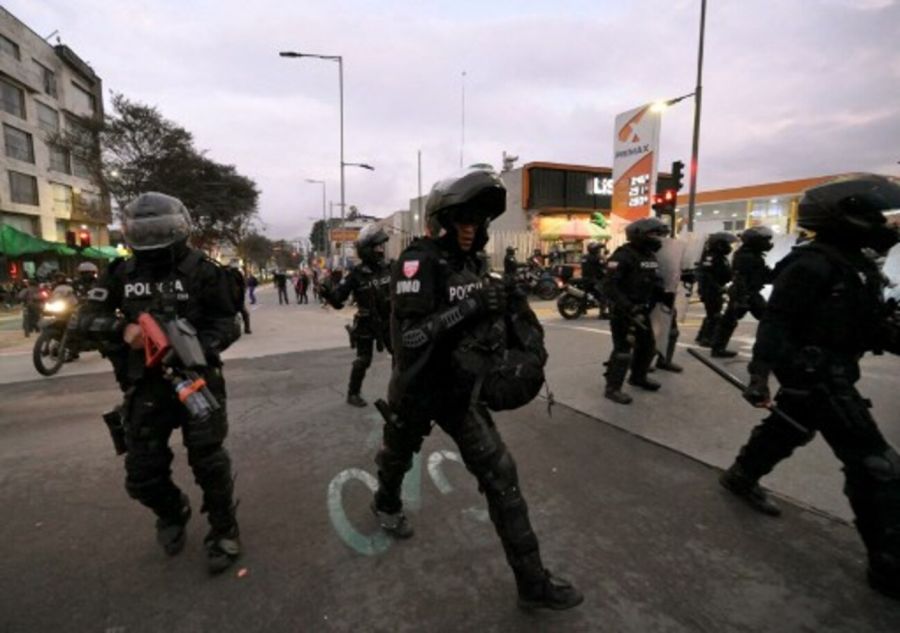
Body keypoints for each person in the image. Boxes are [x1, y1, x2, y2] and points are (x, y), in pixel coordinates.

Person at [372, 168, 583, 610]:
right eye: (462, 221)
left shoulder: (472, 264)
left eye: (477, 222)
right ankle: (386, 503)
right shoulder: (416, 261)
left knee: (501, 478)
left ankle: (533, 583)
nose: (471, 230)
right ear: (443, 221)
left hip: (460, 392)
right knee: (397, 455)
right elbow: (409, 340)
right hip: (416, 389)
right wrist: (467, 306)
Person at [720, 174, 900, 599]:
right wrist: (759, 374)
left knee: (790, 427)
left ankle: (741, 475)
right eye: (871, 215)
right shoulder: (811, 264)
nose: (882, 223)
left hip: (835, 370)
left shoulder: (856, 265)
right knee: (876, 464)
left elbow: (869, 325)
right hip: (816, 375)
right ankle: (889, 564)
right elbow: (776, 321)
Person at [76, 192, 243, 574]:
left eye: (161, 229)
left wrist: (195, 349)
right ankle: (173, 509)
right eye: (145, 231)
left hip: (195, 380)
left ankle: (223, 529)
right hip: (145, 386)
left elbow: (227, 322)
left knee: (210, 462)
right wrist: (123, 328)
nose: (154, 238)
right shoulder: (121, 273)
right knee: (141, 475)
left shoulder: (204, 270)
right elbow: (83, 319)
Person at [320, 226, 392, 407]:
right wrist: (327, 293)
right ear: (367, 249)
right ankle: (353, 393)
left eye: (381, 246)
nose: (381, 250)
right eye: (377, 247)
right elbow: (338, 302)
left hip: (389, 321)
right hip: (366, 322)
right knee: (363, 360)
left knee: (401, 358)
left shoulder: (390, 268)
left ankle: (401, 394)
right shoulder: (355, 275)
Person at [602, 217, 670, 405]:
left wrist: (664, 295)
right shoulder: (622, 256)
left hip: (642, 309)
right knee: (623, 350)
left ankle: (638, 377)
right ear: (639, 234)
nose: (658, 239)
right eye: (654, 234)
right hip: (624, 312)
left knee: (648, 346)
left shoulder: (649, 256)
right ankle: (612, 388)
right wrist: (628, 306)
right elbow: (608, 286)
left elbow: (654, 279)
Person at [710, 226, 774, 358]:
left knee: (728, 321)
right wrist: (742, 299)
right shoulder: (747, 257)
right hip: (745, 294)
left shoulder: (752, 255)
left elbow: (762, 275)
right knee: (769, 321)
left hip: (747, 293)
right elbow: (741, 278)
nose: (768, 244)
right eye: (765, 240)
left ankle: (717, 348)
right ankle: (768, 353)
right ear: (754, 241)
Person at [695, 232, 738, 347]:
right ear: (719, 244)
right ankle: (706, 338)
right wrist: (717, 288)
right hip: (711, 290)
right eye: (727, 244)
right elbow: (706, 276)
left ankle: (702, 336)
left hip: (717, 289)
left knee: (712, 313)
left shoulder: (720, 257)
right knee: (714, 315)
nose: (729, 247)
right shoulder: (711, 257)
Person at [580, 241, 608, 318]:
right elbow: (604, 266)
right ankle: (603, 313)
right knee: (603, 294)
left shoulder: (584, 257)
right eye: (598, 249)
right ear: (595, 250)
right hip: (594, 280)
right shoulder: (597, 257)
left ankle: (582, 308)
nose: (599, 250)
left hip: (585, 278)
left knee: (585, 293)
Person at [228, 261, 252, 334]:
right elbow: (243, 285)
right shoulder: (237, 274)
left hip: (229, 300)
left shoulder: (227, 274)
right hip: (236, 299)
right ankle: (247, 329)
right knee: (245, 314)